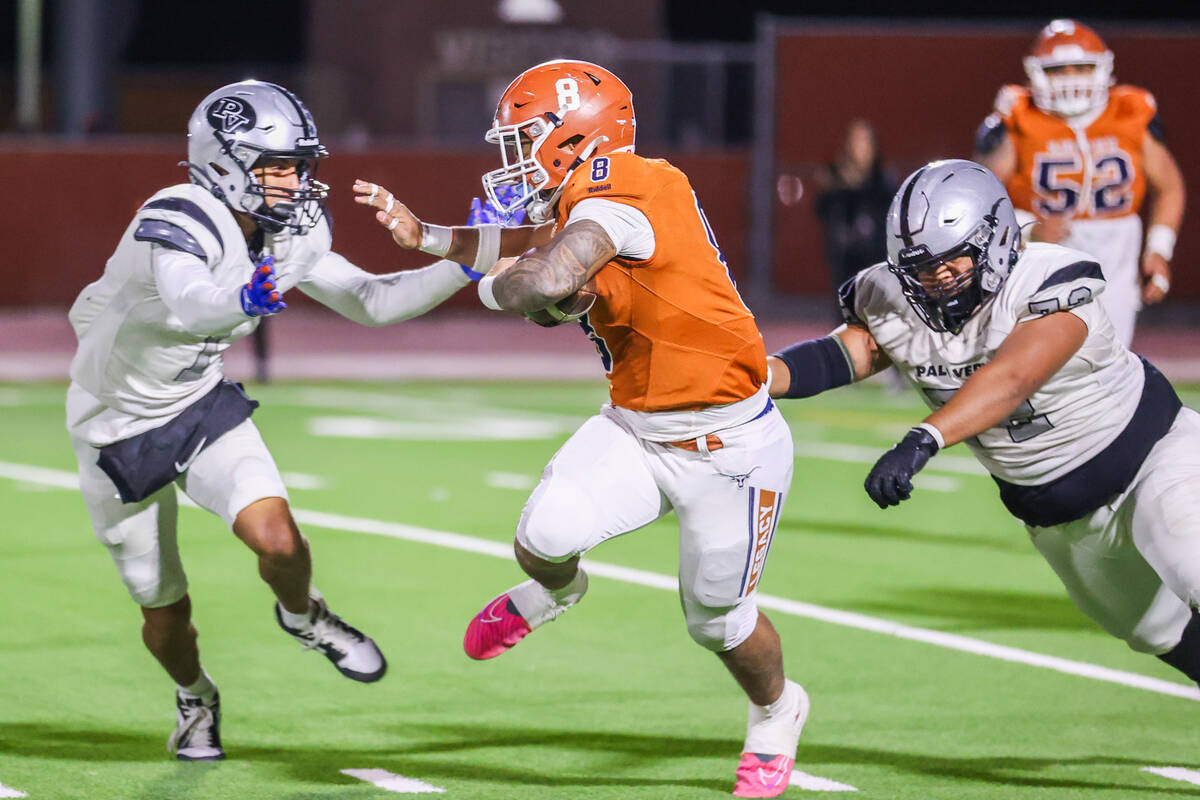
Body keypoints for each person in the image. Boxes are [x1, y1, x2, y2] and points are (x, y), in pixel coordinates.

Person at [355, 59, 808, 798]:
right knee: (543, 539)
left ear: (576, 133)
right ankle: (555, 594)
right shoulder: (584, 199)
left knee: (717, 622)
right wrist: (427, 237)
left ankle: (777, 711)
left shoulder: (635, 186)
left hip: (729, 447)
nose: (514, 154)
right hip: (636, 429)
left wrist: (519, 292)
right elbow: (527, 246)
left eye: (526, 135)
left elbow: (542, 274)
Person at [67, 80, 495, 761]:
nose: (294, 180)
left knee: (281, 541)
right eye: (276, 165)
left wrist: (470, 256)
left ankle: (304, 616)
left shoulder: (291, 230)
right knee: (164, 610)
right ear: (222, 162)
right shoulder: (178, 214)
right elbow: (190, 301)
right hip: (113, 427)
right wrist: (240, 296)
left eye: (299, 164)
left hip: (198, 401)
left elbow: (373, 301)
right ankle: (195, 697)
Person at [768, 159, 1200, 691]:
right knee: (1154, 629)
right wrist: (752, 376)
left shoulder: (1047, 278)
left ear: (994, 240)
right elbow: (839, 356)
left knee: (1188, 553)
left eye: (952, 263)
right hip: (1057, 513)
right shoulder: (897, 301)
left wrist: (924, 438)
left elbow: (1013, 376)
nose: (936, 281)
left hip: (1153, 457)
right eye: (922, 270)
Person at [973, 18, 1186, 347]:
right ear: (1036, 72)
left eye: (1081, 67)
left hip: (1117, 250)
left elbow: (1170, 186)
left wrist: (1159, 249)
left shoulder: (1130, 111)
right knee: (1037, 359)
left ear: (1102, 69)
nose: (1071, 79)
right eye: (1059, 70)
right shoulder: (1020, 116)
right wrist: (1029, 227)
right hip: (1041, 251)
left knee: (1109, 358)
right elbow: (980, 198)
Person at [814, 120, 897, 312]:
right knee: (846, 310)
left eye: (866, 142)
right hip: (845, 258)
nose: (862, 149)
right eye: (857, 142)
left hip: (875, 258)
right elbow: (822, 210)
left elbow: (888, 212)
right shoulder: (836, 178)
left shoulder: (882, 180)